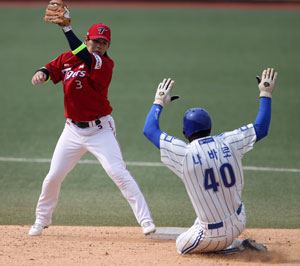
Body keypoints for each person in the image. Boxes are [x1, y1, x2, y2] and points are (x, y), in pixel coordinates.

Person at [29, 8, 155, 236]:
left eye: (103, 43)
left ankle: (146, 221)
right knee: (54, 175)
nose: (99, 45)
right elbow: (51, 68)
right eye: (95, 40)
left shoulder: (104, 64)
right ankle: (41, 220)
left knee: (118, 172)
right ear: (86, 39)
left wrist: (66, 28)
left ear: (107, 47)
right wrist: (42, 74)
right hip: (72, 131)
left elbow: (84, 56)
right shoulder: (67, 59)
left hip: (100, 130)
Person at [143, 68, 277, 254]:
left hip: (213, 235)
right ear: (210, 127)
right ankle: (233, 242)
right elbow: (261, 128)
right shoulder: (229, 141)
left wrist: (159, 102)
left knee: (182, 245)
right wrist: (265, 93)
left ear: (184, 133)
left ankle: (238, 249)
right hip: (240, 220)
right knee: (202, 216)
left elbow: (149, 130)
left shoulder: (184, 153)